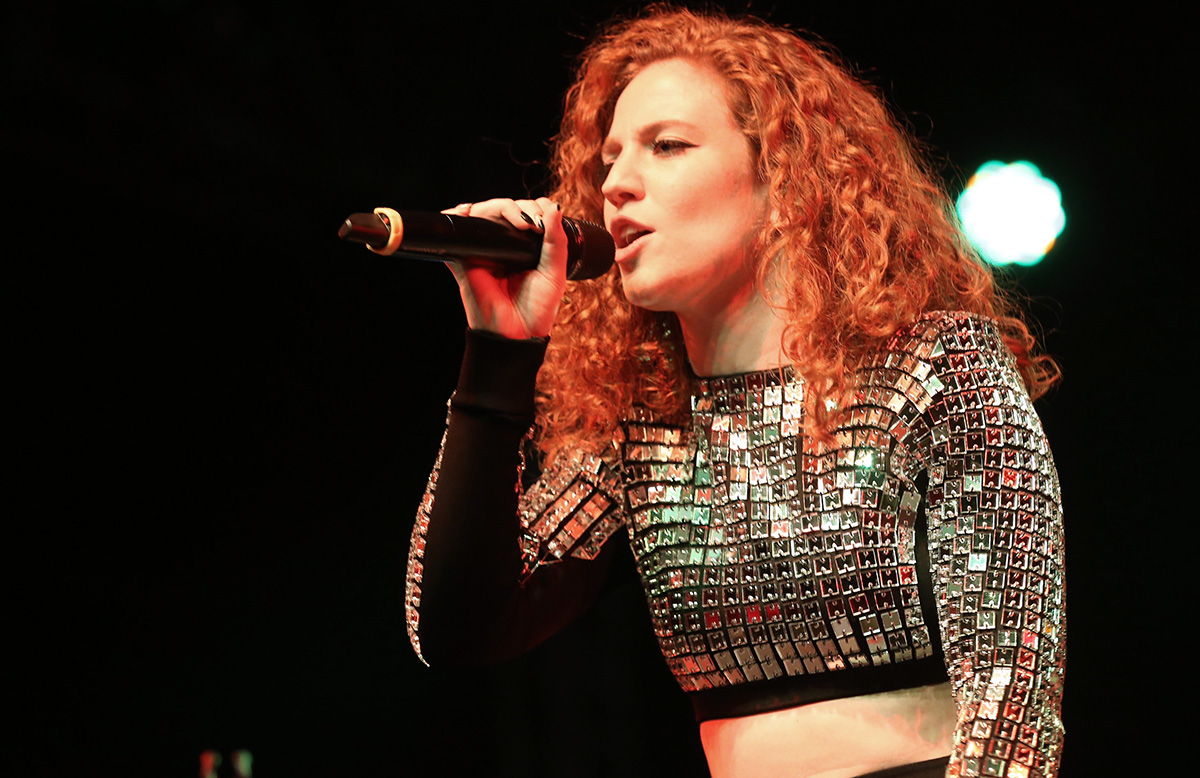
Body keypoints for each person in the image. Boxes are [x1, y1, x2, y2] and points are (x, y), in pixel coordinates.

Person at [403, 6, 1065, 777]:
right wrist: (497, 357)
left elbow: (1012, 711)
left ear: (783, 175)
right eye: (610, 158)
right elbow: (455, 627)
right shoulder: (645, 429)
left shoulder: (936, 368)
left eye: (667, 146)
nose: (616, 184)